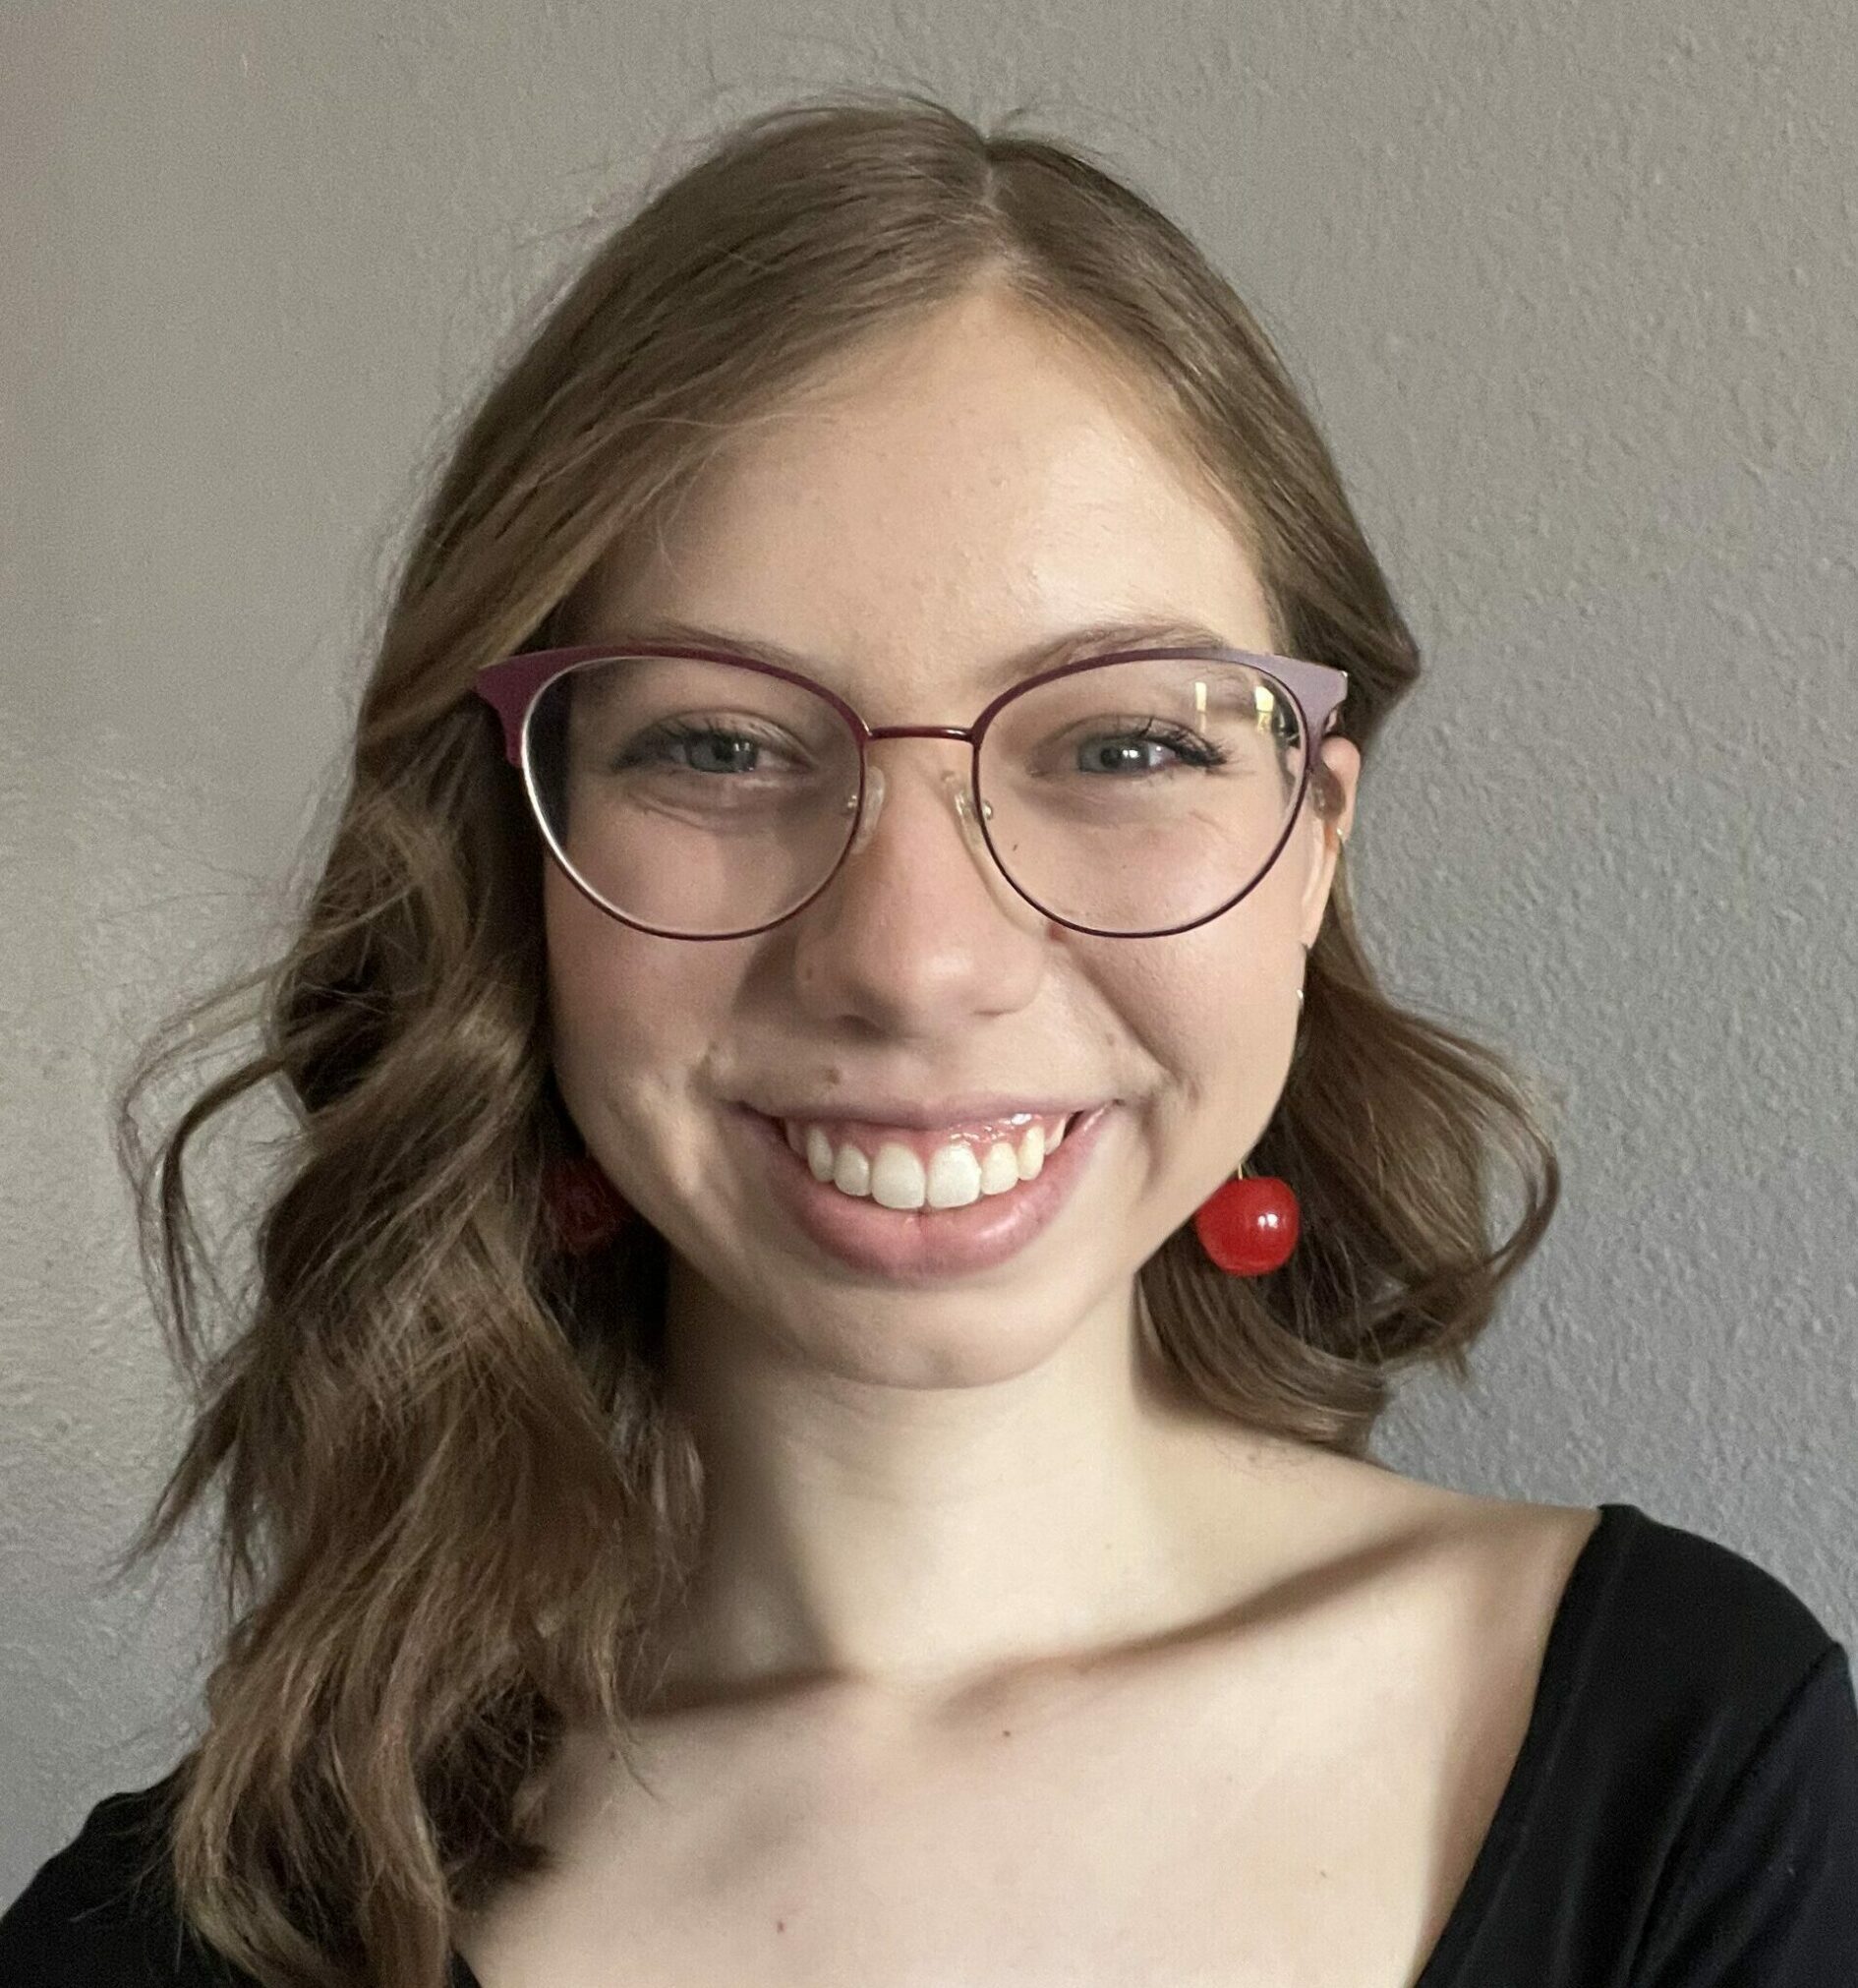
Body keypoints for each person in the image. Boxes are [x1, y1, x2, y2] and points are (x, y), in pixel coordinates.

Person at [4, 88, 1853, 1988]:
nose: (913, 957)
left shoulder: (1684, 1754)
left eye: (1125, 744)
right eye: (718, 745)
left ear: (1315, 838)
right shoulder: (175, 1937)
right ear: (518, 857)